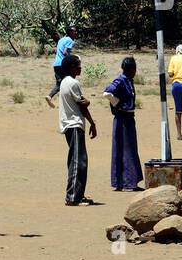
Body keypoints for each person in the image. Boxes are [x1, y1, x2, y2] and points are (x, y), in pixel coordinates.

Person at [58, 53, 98, 206]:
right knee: (77, 161)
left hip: (72, 124)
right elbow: (82, 104)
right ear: (72, 68)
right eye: (78, 65)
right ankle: (72, 196)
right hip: (73, 124)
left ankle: (78, 194)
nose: (80, 68)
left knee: (80, 160)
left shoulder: (65, 82)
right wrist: (92, 123)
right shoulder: (73, 83)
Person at [103, 56, 142, 192]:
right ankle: (127, 182)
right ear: (131, 69)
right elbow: (107, 92)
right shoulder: (121, 80)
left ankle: (127, 182)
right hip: (122, 119)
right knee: (126, 149)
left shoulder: (128, 80)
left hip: (129, 118)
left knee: (128, 148)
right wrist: (117, 104)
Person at [44, 26, 77, 104]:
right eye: (74, 31)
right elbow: (65, 52)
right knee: (70, 81)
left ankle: (49, 96)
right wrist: (72, 59)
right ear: (69, 33)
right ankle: (73, 100)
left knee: (59, 83)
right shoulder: (69, 40)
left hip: (56, 64)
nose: (76, 33)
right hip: (63, 64)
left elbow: (58, 51)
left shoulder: (61, 40)